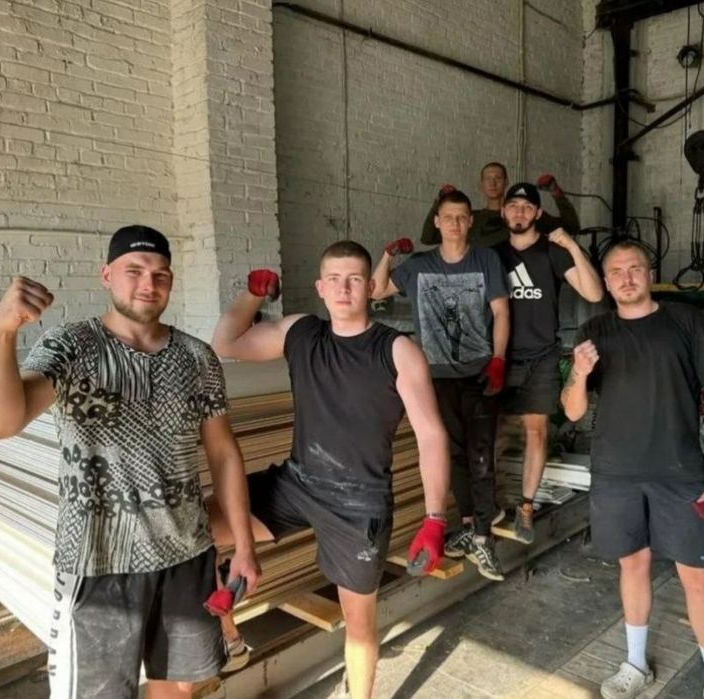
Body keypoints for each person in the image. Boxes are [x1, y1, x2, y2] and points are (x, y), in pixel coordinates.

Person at [0, 225, 261, 698]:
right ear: (106, 275)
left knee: (180, 689)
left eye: (160, 274)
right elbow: (1, 422)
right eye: (134, 270)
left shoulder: (197, 357)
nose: (149, 283)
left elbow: (224, 453)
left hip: (186, 553)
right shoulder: (73, 347)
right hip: (98, 560)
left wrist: (244, 546)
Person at [210, 240, 450, 699]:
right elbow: (226, 343)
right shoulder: (301, 333)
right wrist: (252, 296)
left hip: (359, 504)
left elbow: (430, 435)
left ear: (371, 288)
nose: (344, 289)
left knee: (359, 625)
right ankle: (230, 640)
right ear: (320, 288)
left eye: (354, 279)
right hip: (297, 483)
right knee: (192, 527)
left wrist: (435, 518)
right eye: (334, 280)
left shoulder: (398, 351)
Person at [561, 240, 704, 699]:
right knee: (633, 564)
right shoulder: (595, 331)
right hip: (615, 473)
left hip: (680, 472)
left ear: (650, 273)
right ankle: (635, 664)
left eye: (635, 268)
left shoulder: (686, 321)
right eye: (616, 271)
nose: (626, 278)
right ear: (606, 282)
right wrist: (578, 372)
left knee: (699, 579)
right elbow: (572, 410)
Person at [371, 189, 510, 581]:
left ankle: (483, 538)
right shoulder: (419, 266)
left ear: (470, 221)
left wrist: (498, 359)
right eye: (448, 217)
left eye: (462, 217)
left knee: (481, 457)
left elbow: (501, 311)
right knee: (456, 455)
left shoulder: (486, 260)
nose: (455, 224)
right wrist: (388, 255)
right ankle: (468, 525)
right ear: (437, 221)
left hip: (479, 372)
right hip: (436, 376)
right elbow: (375, 291)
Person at [494, 181, 603, 544]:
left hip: (540, 356)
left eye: (527, 207)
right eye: (513, 206)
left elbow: (594, 292)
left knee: (536, 431)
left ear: (538, 213)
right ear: (503, 211)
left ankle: (525, 508)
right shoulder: (491, 255)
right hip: (500, 356)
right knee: (492, 433)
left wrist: (571, 245)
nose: (520, 212)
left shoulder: (552, 252)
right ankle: (490, 506)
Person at [420, 166, 580, 248]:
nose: (492, 183)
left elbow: (572, 226)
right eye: (487, 179)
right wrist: (439, 202)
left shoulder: (524, 216)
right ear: (481, 184)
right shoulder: (471, 219)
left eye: (498, 178)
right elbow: (428, 238)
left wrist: (556, 193)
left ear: (506, 182)